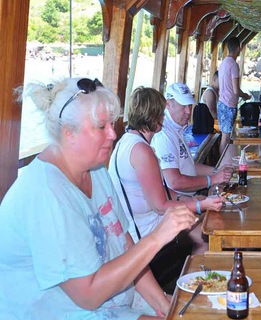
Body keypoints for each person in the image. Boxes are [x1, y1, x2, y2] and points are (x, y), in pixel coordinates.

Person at [0, 78, 197, 319]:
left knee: (190, 314)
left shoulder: (96, 170)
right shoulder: (46, 194)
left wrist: (167, 309)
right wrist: (158, 237)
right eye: (101, 127)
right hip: (66, 311)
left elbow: (127, 246)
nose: (114, 134)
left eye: (112, 124)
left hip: (113, 299)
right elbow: (88, 295)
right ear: (68, 133)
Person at [109, 86, 223, 254]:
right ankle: (193, 280)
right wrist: (201, 205)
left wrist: (187, 198)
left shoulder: (127, 141)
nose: (164, 116)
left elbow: (159, 190)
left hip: (144, 223)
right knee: (207, 237)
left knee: (203, 226)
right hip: (143, 234)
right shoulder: (142, 151)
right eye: (161, 112)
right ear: (154, 116)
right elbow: (161, 206)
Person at [152, 83, 233, 197]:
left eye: (189, 106)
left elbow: (188, 165)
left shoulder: (177, 128)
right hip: (179, 202)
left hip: (189, 195)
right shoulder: (164, 136)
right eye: (183, 106)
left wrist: (217, 171)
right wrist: (212, 179)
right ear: (168, 104)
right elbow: (175, 182)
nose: (188, 112)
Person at [217, 37, 251, 153]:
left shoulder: (223, 63)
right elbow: (236, 90)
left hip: (222, 102)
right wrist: (245, 96)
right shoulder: (233, 65)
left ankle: (223, 162)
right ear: (238, 48)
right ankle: (222, 164)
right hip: (229, 105)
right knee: (226, 138)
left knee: (225, 136)